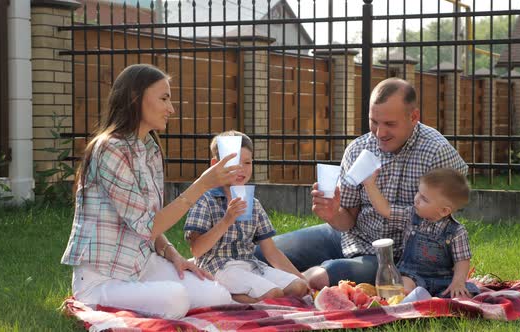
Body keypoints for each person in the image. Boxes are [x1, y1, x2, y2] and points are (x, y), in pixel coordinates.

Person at [61, 64, 239, 319]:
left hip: (142, 263)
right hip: (103, 276)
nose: (171, 108)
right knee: (176, 300)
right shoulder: (109, 149)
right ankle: (94, 300)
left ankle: (151, 293)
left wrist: (173, 254)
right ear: (135, 98)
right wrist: (202, 185)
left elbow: (148, 222)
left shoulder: (150, 149)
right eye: (164, 98)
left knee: (217, 295)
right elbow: (146, 226)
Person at [255, 77, 468, 290]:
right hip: (349, 237)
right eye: (374, 122)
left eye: (390, 124)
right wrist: (332, 213)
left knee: (325, 276)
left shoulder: (437, 153)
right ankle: (266, 281)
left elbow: (445, 223)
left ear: (414, 117)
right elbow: (347, 220)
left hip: (396, 258)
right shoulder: (358, 150)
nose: (379, 133)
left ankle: (286, 285)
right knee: (259, 252)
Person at [184, 131, 308, 303]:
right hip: (218, 268)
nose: (241, 168)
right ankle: (226, 299)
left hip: (250, 265)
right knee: (273, 295)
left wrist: (302, 278)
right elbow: (197, 250)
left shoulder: (253, 203)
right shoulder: (205, 200)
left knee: (298, 288)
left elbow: (271, 251)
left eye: (247, 162)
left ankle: (256, 299)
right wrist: (227, 220)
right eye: (235, 162)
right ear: (215, 165)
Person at [363, 167, 479, 298]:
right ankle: (416, 299)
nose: (416, 199)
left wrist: (458, 282)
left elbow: (462, 260)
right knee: (404, 289)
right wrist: (369, 184)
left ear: (444, 211)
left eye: (424, 199)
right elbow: (385, 209)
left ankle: (426, 299)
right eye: (418, 192)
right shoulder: (409, 216)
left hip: (443, 280)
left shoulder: (457, 231)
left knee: (464, 294)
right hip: (412, 276)